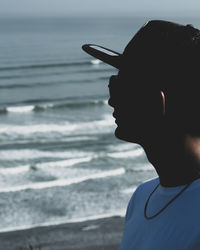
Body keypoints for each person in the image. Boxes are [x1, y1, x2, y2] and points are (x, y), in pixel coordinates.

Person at [82, 20, 200, 249]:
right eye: (112, 84)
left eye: (121, 88)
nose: (111, 100)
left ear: (157, 102)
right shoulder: (142, 197)